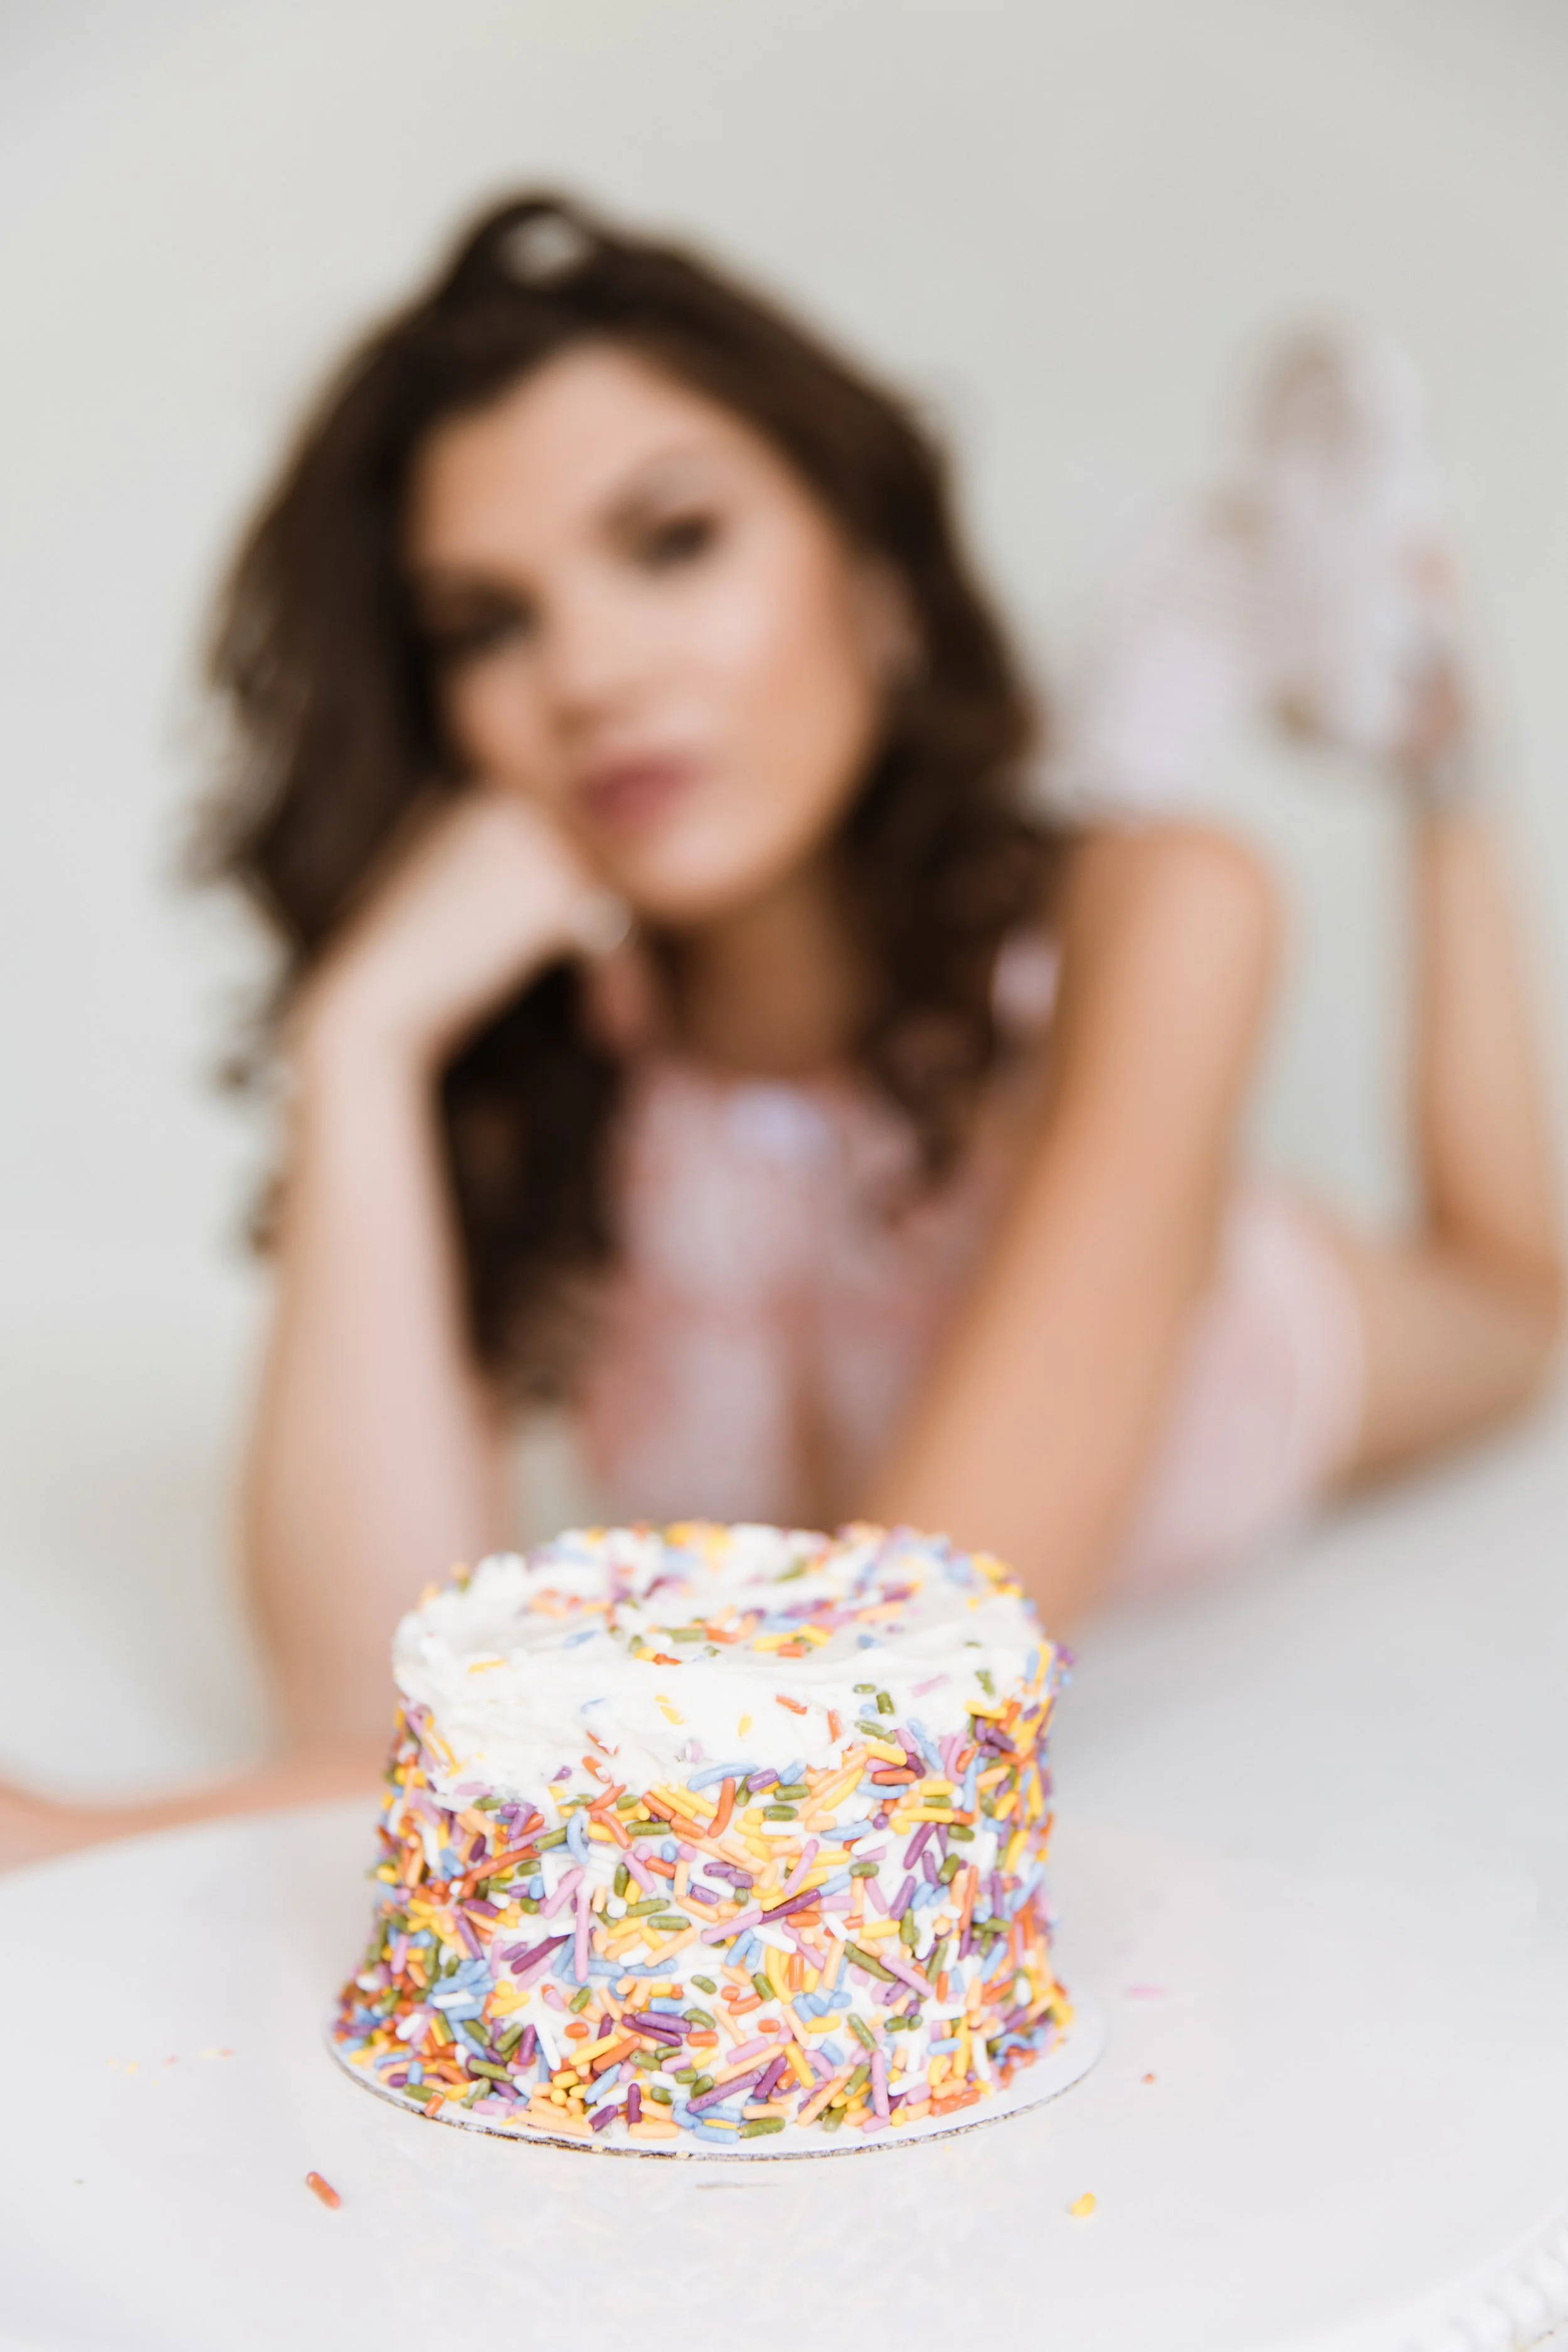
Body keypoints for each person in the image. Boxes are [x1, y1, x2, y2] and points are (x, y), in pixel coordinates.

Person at [1, 196, 1558, 1867]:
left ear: (878, 587)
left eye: (671, 542)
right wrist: (362, 1035)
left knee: (1524, 1296)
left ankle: (1430, 732)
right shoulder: (549, 1062)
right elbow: (351, 1700)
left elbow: (902, 1691)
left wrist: (108, 1831)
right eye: (488, 625)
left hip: (1294, 1329)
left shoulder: (1168, 909)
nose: (588, 673)